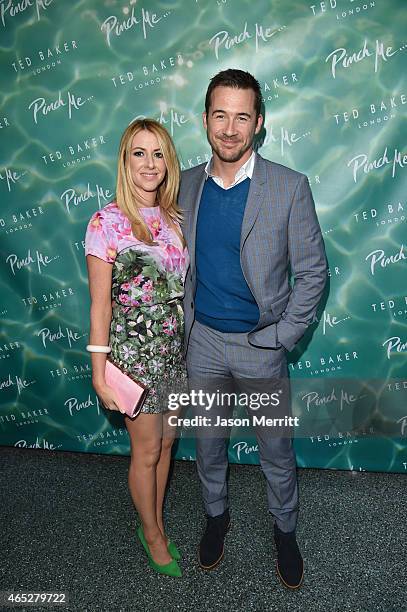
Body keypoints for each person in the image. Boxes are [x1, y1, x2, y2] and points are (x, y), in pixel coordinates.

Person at [178, 69, 327, 588]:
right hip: (203, 346)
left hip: (260, 347)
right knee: (209, 442)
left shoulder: (289, 187)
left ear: (258, 124)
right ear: (205, 120)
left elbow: (312, 273)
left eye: (243, 116)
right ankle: (216, 517)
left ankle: (285, 530)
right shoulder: (186, 184)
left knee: (276, 451)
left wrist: (283, 337)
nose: (230, 127)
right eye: (220, 114)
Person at [84, 118, 188, 578]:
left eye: (158, 153)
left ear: (168, 162)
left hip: (172, 353)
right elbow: (99, 304)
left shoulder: (173, 218)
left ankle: (154, 518)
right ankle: (152, 536)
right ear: (125, 161)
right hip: (133, 359)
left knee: (166, 445)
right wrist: (98, 369)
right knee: (145, 452)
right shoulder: (105, 222)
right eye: (139, 153)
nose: (149, 163)